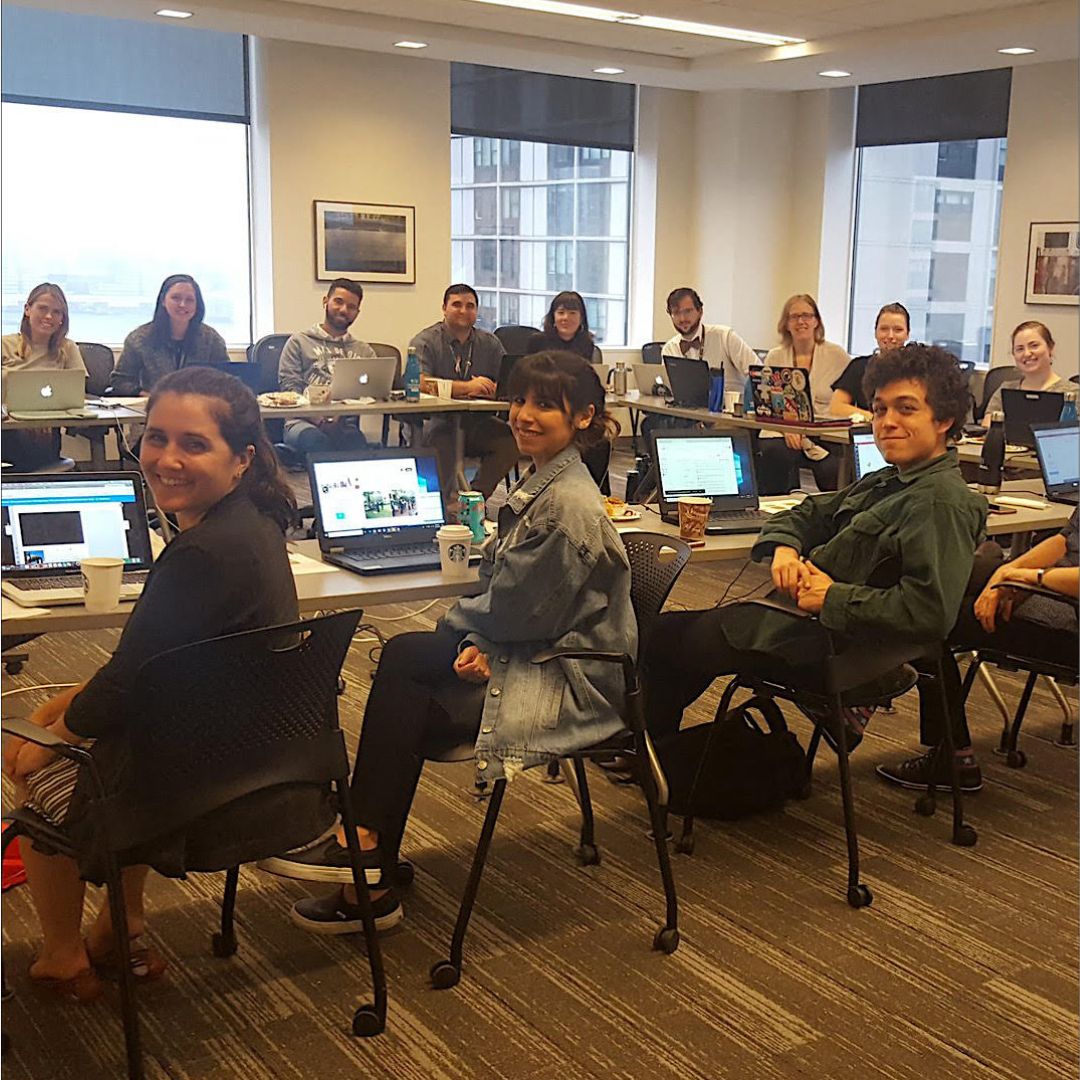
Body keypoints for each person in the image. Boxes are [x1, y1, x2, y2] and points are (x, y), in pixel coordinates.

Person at [259, 352, 637, 933]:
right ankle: (367, 852)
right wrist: (478, 637)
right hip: (540, 640)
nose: (523, 415)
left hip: (568, 671)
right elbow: (521, 604)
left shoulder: (567, 508)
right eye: (519, 401)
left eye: (543, 405)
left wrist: (480, 638)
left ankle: (365, 852)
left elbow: (520, 611)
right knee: (408, 661)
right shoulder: (550, 481)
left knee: (411, 691)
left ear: (584, 417)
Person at [2, 367, 332, 1002]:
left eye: (194, 444)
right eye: (156, 438)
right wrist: (63, 707)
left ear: (242, 459)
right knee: (57, 714)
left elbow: (127, 684)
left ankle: (63, 959)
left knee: (32, 770)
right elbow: (148, 666)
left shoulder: (201, 554)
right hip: (263, 759)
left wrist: (51, 736)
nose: (167, 459)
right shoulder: (256, 524)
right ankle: (120, 933)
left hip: (192, 786)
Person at [642, 344, 986, 763]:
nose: (887, 423)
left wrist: (831, 597)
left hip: (827, 643)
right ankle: (658, 755)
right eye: (879, 410)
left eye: (906, 409)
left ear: (944, 419)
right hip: (810, 625)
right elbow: (810, 510)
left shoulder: (938, 502)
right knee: (678, 639)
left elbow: (930, 613)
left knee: (659, 638)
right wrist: (786, 550)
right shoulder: (893, 480)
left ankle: (652, 761)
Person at [876, 507, 1078, 791]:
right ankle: (988, 563)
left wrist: (1030, 578)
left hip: (1068, 621)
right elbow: (1067, 540)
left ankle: (952, 759)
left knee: (929, 618)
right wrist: (1008, 572)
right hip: (1051, 588)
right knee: (948, 588)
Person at [410, 284, 520, 513]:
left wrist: (494, 388)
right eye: (457, 305)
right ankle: (437, 508)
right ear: (444, 308)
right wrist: (466, 387)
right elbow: (419, 382)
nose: (463, 311)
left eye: (470, 306)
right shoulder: (426, 341)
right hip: (437, 422)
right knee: (443, 446)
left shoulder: (489, 342)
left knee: (510, 440)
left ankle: (474, 499)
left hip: (477, 423)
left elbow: (509, 379)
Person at [757, 294, 851, 494]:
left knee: (833, 469)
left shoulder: (837, 356)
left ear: (816, 321)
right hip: (782, 430)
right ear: (786, 323)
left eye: (807, 315)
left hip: (824, 433)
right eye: (795, 317)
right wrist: (787, 427)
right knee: (774, 452)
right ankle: (776, 508)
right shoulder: (775, 356)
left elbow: (849, 396)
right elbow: (766, 403)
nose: (801, 321)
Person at [277, 278, 375, 454]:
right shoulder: (298, 342)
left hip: (345, 423)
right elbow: (290, 390)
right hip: (301, 423)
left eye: (351, 307)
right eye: (338, 301)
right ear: (325, 301)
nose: (344, 309)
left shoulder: (364, 351)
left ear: (357, 312)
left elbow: (373, 391)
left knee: (356, 443)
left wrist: (340, 416)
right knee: (317, 442)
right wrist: (320, 420)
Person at [1, 282, 87, 470]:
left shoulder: (67, 348)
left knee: (35, 442)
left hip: (47, 430)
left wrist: (42, 418)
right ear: (27, 309)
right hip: (6, 427)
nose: (49, 316)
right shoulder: (4, 344)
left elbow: (77, 393)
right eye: (43, 308)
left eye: (57, 312)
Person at [108, 274, 228, 396]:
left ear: (198, 305)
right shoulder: (139, 339)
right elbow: (120, 381)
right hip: (154, 407)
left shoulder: (211, 339)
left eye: (189, 300)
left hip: (200, 408)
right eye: (176, 298)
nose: (182, 304)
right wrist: (144, 394)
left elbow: (227, 381)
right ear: (163, 301)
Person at [660, 287, 758, 393]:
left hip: (728, 407)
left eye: (688, 311)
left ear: (700, 312)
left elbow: (757, 373)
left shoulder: (725, 337)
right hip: (685, 408)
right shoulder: (669, 349)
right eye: (676, 313)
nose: (682, 318)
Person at [829, 302, 911, 419]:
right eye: (884, 329)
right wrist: (875, 418)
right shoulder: (859, 366)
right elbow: (836, 407)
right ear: (875, 332)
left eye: (898, 330)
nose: (890, 336)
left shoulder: (916, 369)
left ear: (907, 334)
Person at [981, 320, 1069, 424]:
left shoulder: (1072, 393)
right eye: (1020, 349)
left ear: (1051, 348)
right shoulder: (1006, 389)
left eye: (1034, 346)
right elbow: (988, 424)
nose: (1027, 353)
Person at [526, 291, 601, 361]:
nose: (566, 318)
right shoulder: (538, 341)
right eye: (561, 312)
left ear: (581, 318)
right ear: (553, 316)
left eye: (572, 313)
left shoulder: (586, 343)